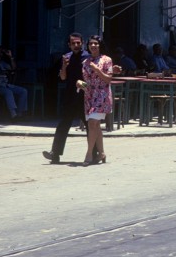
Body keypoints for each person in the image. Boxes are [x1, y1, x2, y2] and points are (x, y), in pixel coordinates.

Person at [43, 33, 87, 164]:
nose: (76, 45)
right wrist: (64, 66)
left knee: (90, 125)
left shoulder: (88, 58)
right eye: (73, 43)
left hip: (85, 95)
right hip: (70, 95)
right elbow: (63, 77)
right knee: (63, 124)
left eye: (78, 43)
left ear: (82, 43)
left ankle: (95, 152)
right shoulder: (66, 57)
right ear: (69, 45)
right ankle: (55, 153)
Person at [78, 35, 120, 165]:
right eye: (91, 44)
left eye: (96, 43)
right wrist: (80, 83)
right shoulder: (85, 62)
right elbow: (86, 80)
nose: (93, 46)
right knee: (95, 125)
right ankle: (101, 153)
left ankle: (89, 154)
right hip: (89, 95)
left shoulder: (107, 60)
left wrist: (97, 70)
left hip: (101, 95)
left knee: (92, 123)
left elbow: (108, 79)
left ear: (100, 45)